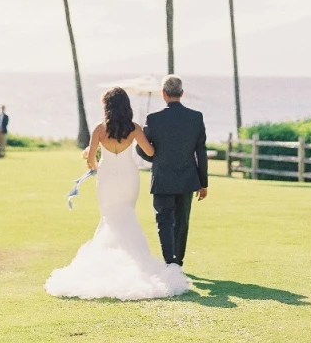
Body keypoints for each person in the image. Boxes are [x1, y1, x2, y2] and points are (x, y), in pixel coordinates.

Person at [45, 87, 189, 300]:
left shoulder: (99, 130)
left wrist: (93, 164)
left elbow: (91, 159)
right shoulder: (134, 128)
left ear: (107, 107)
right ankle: (136, 259)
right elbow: (150, 152)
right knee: (127, 213)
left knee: (110, 217)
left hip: (107, 178)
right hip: (129, 176)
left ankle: (107, 259)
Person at [136, 76, 208, 276]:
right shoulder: (196, 117)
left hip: (162, 178)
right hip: (187, 178)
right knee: (182, 221)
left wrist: (157, 159)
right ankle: (179, 261)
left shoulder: (153, 119)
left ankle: (170, 262)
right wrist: (203, 183)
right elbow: (200, 152)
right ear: (182, 93)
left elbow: (142, 149)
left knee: (164, 221)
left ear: (163, 94)